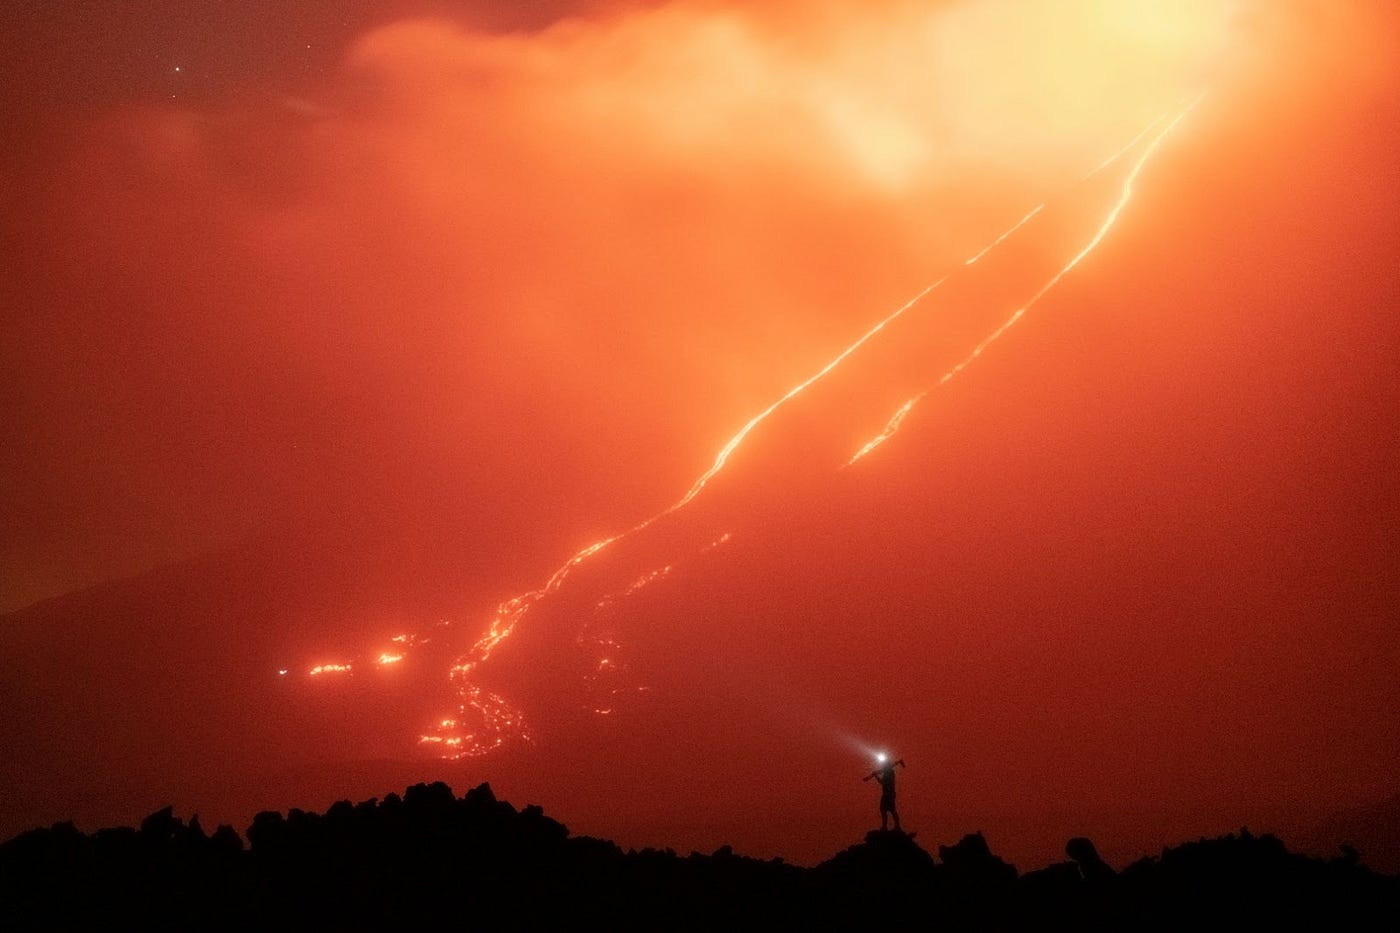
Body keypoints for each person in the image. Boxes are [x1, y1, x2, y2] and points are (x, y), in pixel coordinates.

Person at [862, 754, 906, 831]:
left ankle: (891, 826)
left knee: (887, 810)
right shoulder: (889, 771)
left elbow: (882, 782)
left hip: (888, 794)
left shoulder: (888, 773)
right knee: (887, 810)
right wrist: (871, 776)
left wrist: (875, 776)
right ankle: (890, 826)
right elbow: (882, 773)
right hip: (889, 793)